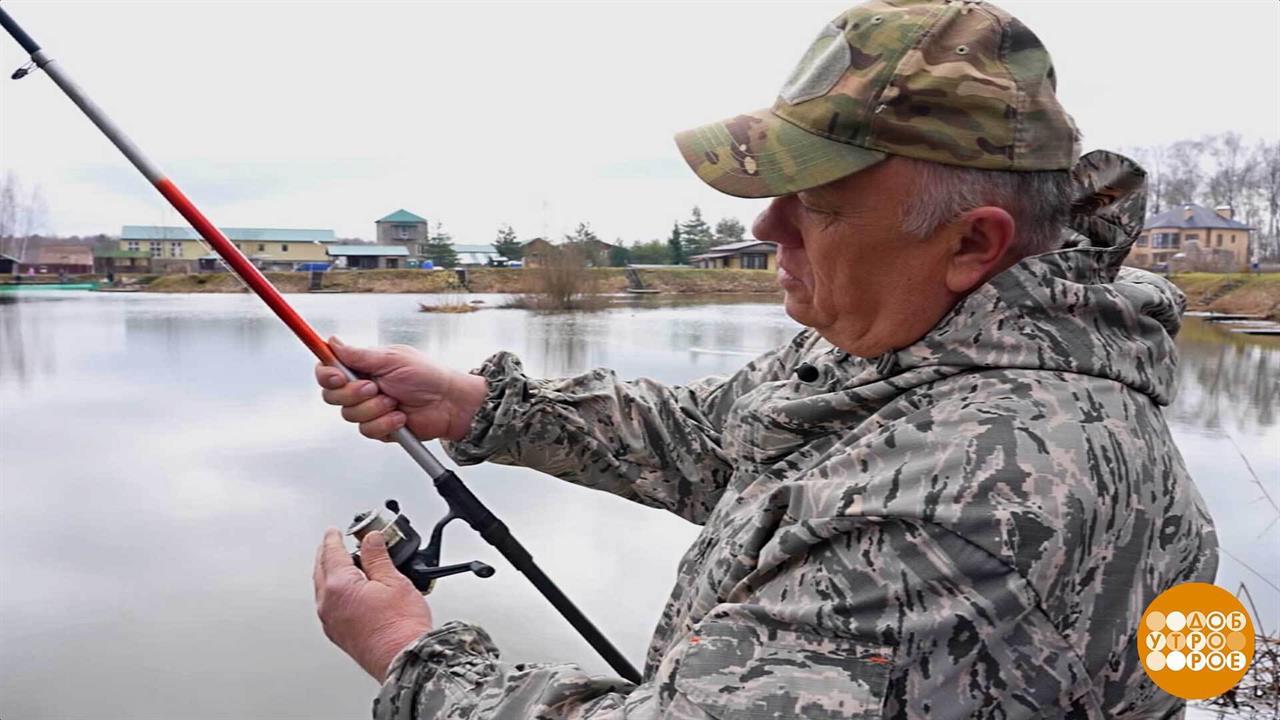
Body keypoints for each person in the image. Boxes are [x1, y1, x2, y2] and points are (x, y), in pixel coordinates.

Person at [312, 1, 1218, 717]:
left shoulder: (967, 505)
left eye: (817, 200)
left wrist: (408, 654)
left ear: (973, 242)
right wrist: (479, 407)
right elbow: (723, 438)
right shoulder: (916, 344)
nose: (764, 225)